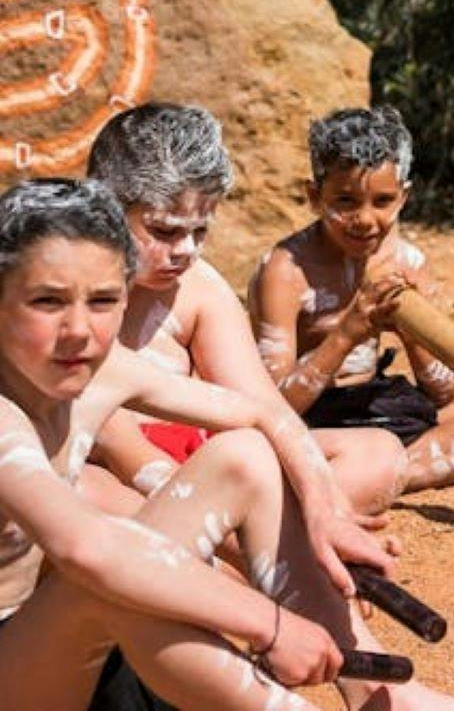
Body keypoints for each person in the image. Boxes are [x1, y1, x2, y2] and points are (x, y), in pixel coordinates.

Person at [0, 177, 416, 709]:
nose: (79, 329)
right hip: (25, 669)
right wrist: (267, 624)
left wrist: (326, 509)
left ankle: (378, 694)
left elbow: (262, 415)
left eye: (103, 301)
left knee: (242, 456)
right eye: (46, 301)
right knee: (102, 582)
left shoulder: (104, 372)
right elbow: (90, 549)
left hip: (67, 660)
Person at [84, 104, 407, 517]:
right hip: (111, 471)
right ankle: (239, 549)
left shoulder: (198, 286)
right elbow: (114, 439)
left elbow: (262, 406)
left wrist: (321, 501)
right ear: (106, 205)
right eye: (164, 231)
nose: (185, 250)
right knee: (85, 494)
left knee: (378, 455)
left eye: (200, 231)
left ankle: (222, 547)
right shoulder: (67, 285)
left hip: (199, 465)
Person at [250, 107, 454, 493]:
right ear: (315, 197)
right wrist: (348, 332)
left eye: (382, 202)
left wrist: (413, 327)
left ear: (404, 197)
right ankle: (419, 468)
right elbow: (273, 408)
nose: (364, 219)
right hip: (314, 417)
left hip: (377, 404)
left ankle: (391, 467)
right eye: (345, 201)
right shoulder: (286, 271)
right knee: (267, 448)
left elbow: (442, 393)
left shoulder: (405, 260)